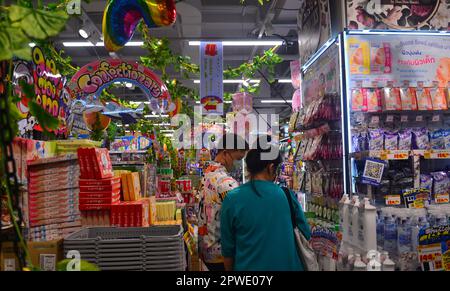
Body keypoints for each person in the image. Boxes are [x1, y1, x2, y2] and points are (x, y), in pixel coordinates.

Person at [220, 137, 311, 271]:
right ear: (271, 167)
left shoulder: (232, 199)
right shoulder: (286, 195)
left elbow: (228, 251)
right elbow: (306, 234)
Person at [198, 133, 248, 271]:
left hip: (206, 249)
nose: (239, 164)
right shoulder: (227, 183)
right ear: (225, 153)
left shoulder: (207, 175)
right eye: (239, 159)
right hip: (223, 255)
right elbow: (240, 218)